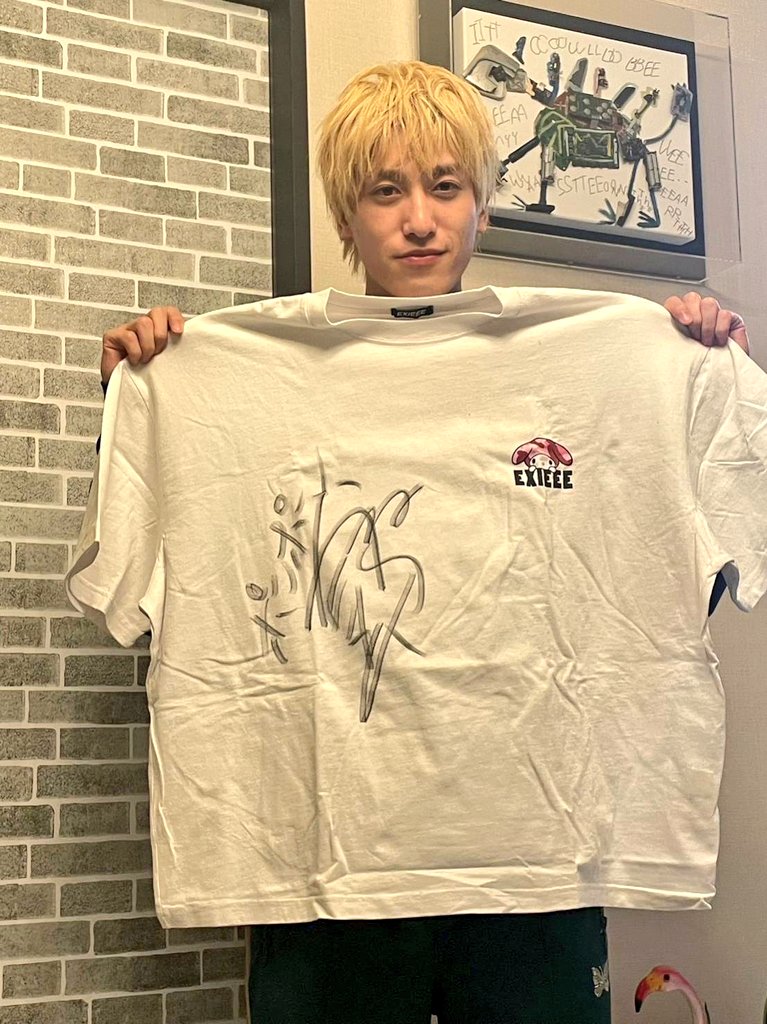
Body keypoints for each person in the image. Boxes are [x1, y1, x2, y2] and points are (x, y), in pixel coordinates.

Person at [73, 61, 764, 1024]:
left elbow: (680, 572)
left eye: (444, 187)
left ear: (482, 203)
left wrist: (694, 382)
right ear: (345, 215)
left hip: (538, 862)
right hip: (322, 872)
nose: (418, 220)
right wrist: (145, 400)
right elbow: (157, 580)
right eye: (384, 191)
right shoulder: (220, 371)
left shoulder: (623, 361)